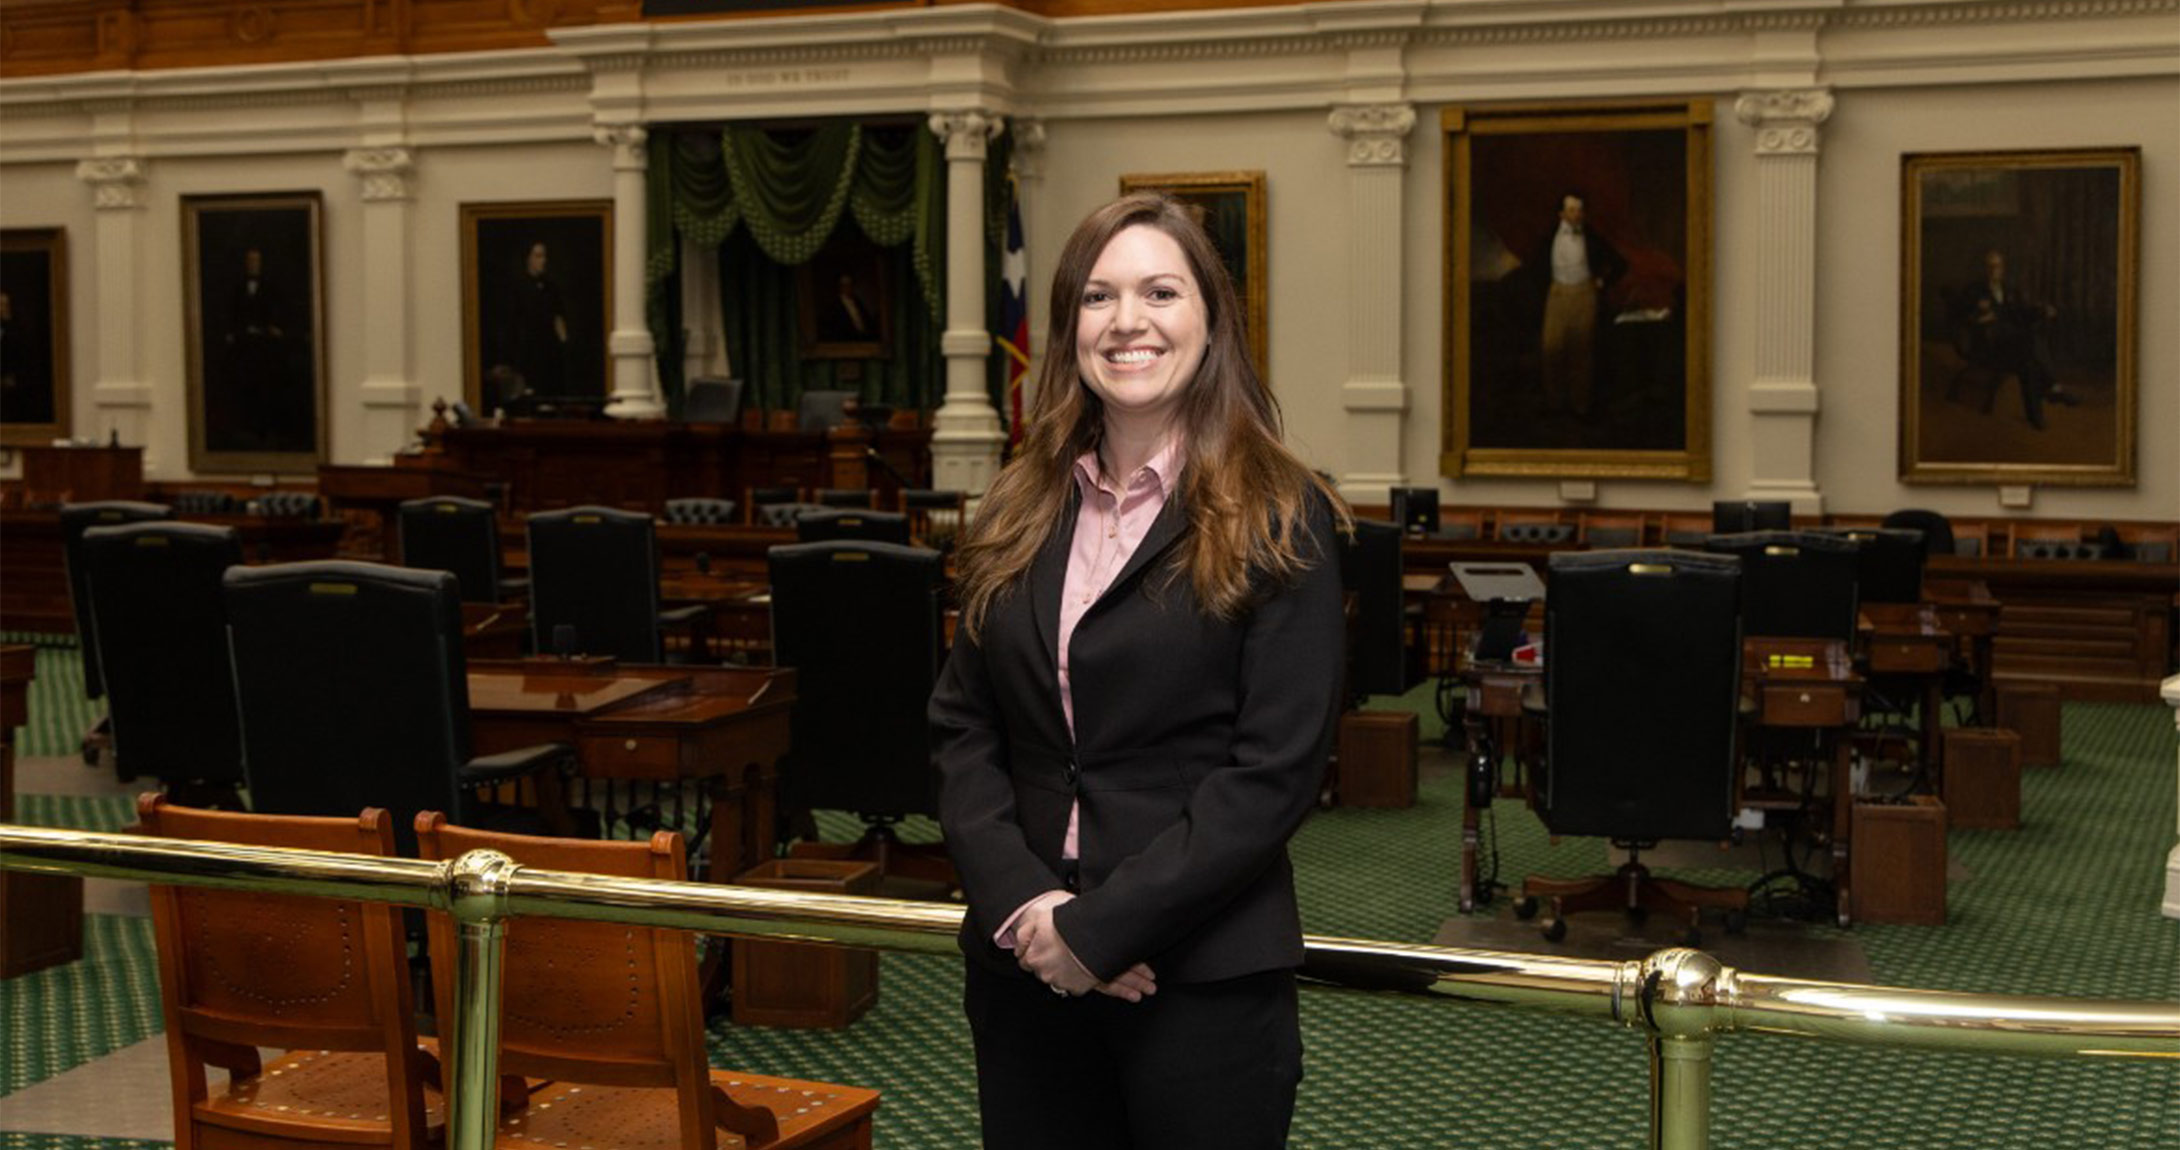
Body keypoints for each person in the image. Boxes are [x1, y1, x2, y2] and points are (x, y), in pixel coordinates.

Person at [930, 192, 1349, 1150]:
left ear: (1210, 320)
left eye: (1160, 291)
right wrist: (1035, 912)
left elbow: (1274, 769)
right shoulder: (1015, 506)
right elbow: (964, 728)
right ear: (1070, 322)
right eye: (1098, 297)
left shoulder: (1281, 513)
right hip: (1023, 971)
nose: (1128, 323)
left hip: (1198, 981)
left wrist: (1100, 931)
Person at [1955, 248, 2079, 431]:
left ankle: (2035, 417)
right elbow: (1963, 319)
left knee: (2028, 363)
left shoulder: (2009, 289)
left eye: (1997, 266)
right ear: (1983, 269)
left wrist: (2042, 311)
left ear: (2002, 268)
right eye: (1989, 266)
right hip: (1990, 347)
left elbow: (2022, 311)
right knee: (2030, 343)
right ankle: (2053, 388)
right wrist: (1980, 318)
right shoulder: (1973, 290)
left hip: (2013, 346)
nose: (1993, 270)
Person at [1531, 191, 1627, 417]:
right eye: (1572, 210)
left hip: (1584, 295)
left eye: (1580, 210)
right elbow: (1535, 270)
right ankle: (1555, 405)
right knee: (1551, 349)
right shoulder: (1547, 238)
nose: (1577, 215)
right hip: (1556, 295)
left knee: (1582, 353)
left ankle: (1580, 407)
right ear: (1561, 214)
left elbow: (1620, 264)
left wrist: (1602, 281)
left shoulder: (1592, 238)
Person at [504, 240, 569, 397]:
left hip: (550, 352)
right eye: (538, 256)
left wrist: (563, 342)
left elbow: (558, 318)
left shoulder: (550, 287)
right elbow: (513, 324)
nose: (543, 260)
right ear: (529, 258)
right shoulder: (518, 287)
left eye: (544, 256)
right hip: (528, 352)